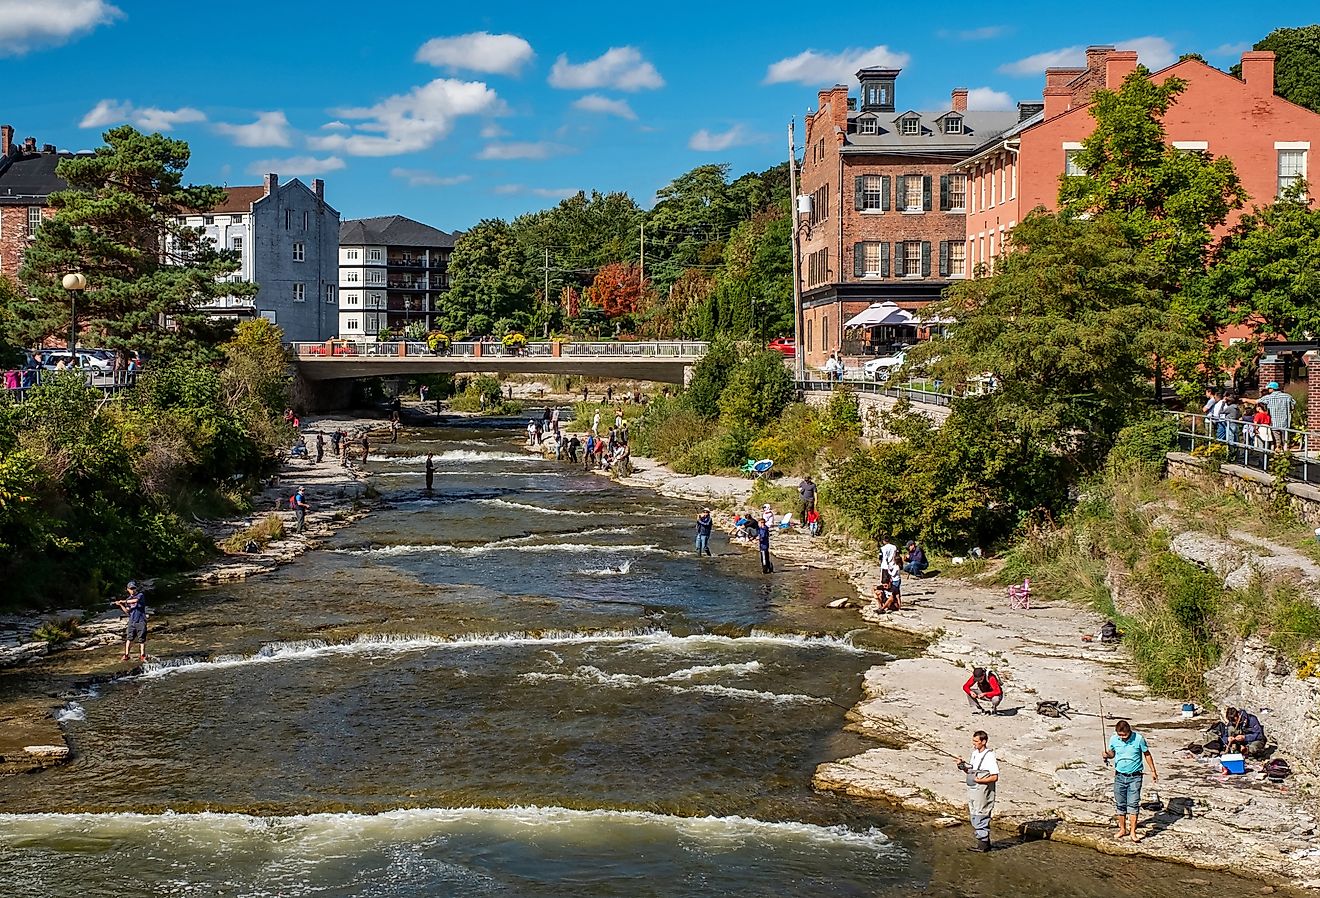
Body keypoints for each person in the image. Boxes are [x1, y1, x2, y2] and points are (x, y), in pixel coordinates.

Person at [1103, 719, 1157, 843]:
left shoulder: (1139, 739)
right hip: (1119, 776)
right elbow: (1112, 754)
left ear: (1129, 731)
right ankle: (1123, 829)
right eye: (1120, 735)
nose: (1122, 737)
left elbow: (1147, 754)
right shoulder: (1114, 739)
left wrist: (1153, 771)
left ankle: (1133, 832)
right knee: (1120, 804)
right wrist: (1106, 755)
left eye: (1124, 735)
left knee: (1133, 804)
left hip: (1135, 776)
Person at [956, 730, 999, 853]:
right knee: (974, 814)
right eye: (973, 740)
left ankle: (983, 845)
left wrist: (980, 781)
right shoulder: (975, 753)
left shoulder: (989, 756)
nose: (973, 743)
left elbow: (995, 777)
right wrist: (961, 765)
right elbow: (970, 771)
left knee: (981, 814)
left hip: (982, 791)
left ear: (983, 741)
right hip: (973, 790)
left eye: (976, 741)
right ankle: (984, 843)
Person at [114, 581, 149, 663]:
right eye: (131, 589)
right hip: (132, 621)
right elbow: (127, 611)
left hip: (141, 620)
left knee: (142, 639)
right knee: (129, 638)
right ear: (128, 589)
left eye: (134, 588)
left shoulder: (140, 595)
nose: (133, 590)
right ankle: (126, 655)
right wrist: (121, 605)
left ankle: (143, 655)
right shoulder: (128, 599)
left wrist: (123, 601)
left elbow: (135, 601)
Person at [1257, 382, 1296, 449]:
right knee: (1285, 440)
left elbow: (1257, 401)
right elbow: (1293, 405)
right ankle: (1285, 451)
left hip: (1274, 423)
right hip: (1285, 423)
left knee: (1277, 441)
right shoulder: (1287, 396)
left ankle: (1278, 449)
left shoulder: (1268, 397)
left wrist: (1245, 400)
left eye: (1269, 388)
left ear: (1272, 389)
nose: (1268, 390)